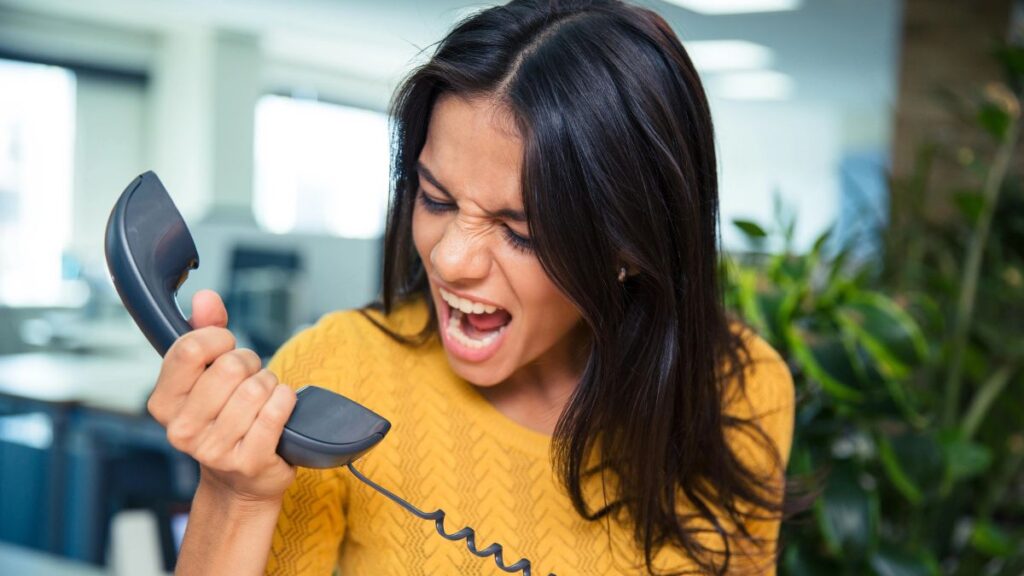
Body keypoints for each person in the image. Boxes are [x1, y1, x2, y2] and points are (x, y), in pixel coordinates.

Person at [147, 1, 796, 574]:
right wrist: (236, 496)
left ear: (632, 246)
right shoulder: (339, 377)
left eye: (521, 230)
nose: (452, 259)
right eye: (435, 197)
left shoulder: (741, 389)